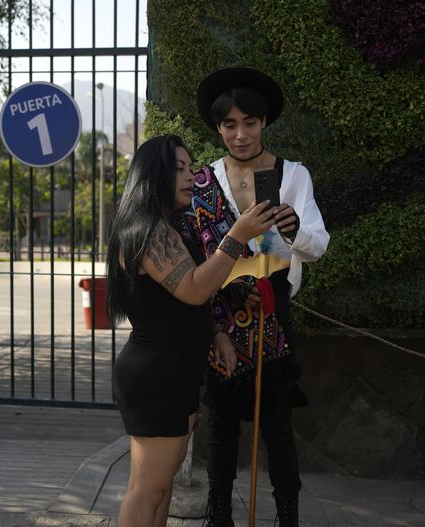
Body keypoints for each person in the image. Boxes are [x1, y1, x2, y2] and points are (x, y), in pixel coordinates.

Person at [106, 134, 277, 527]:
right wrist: (237, 236)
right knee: (147, 490)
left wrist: (215, 333)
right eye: (179, 168)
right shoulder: (148, 230)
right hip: (157, 376)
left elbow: (178, 302)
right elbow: (195, 288)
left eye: (190, 166)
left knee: (159, 486)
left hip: (173, 371)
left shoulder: (163, 227)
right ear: (154, 174)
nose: (190, 176)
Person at [184, 67, 330, 526]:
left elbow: (317, 245)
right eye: (230, 124)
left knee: (278, 425)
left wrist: (294, 229)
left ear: (264, 122)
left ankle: (289, 518)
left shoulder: (293, 176)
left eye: (250, 122)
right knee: (221, 424)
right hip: (222, 312)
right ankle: (219, 517)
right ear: (218, 128)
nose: (241, 134)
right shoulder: (203, 182)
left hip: (272, 306)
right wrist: (216, 311)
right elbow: (195, 254)